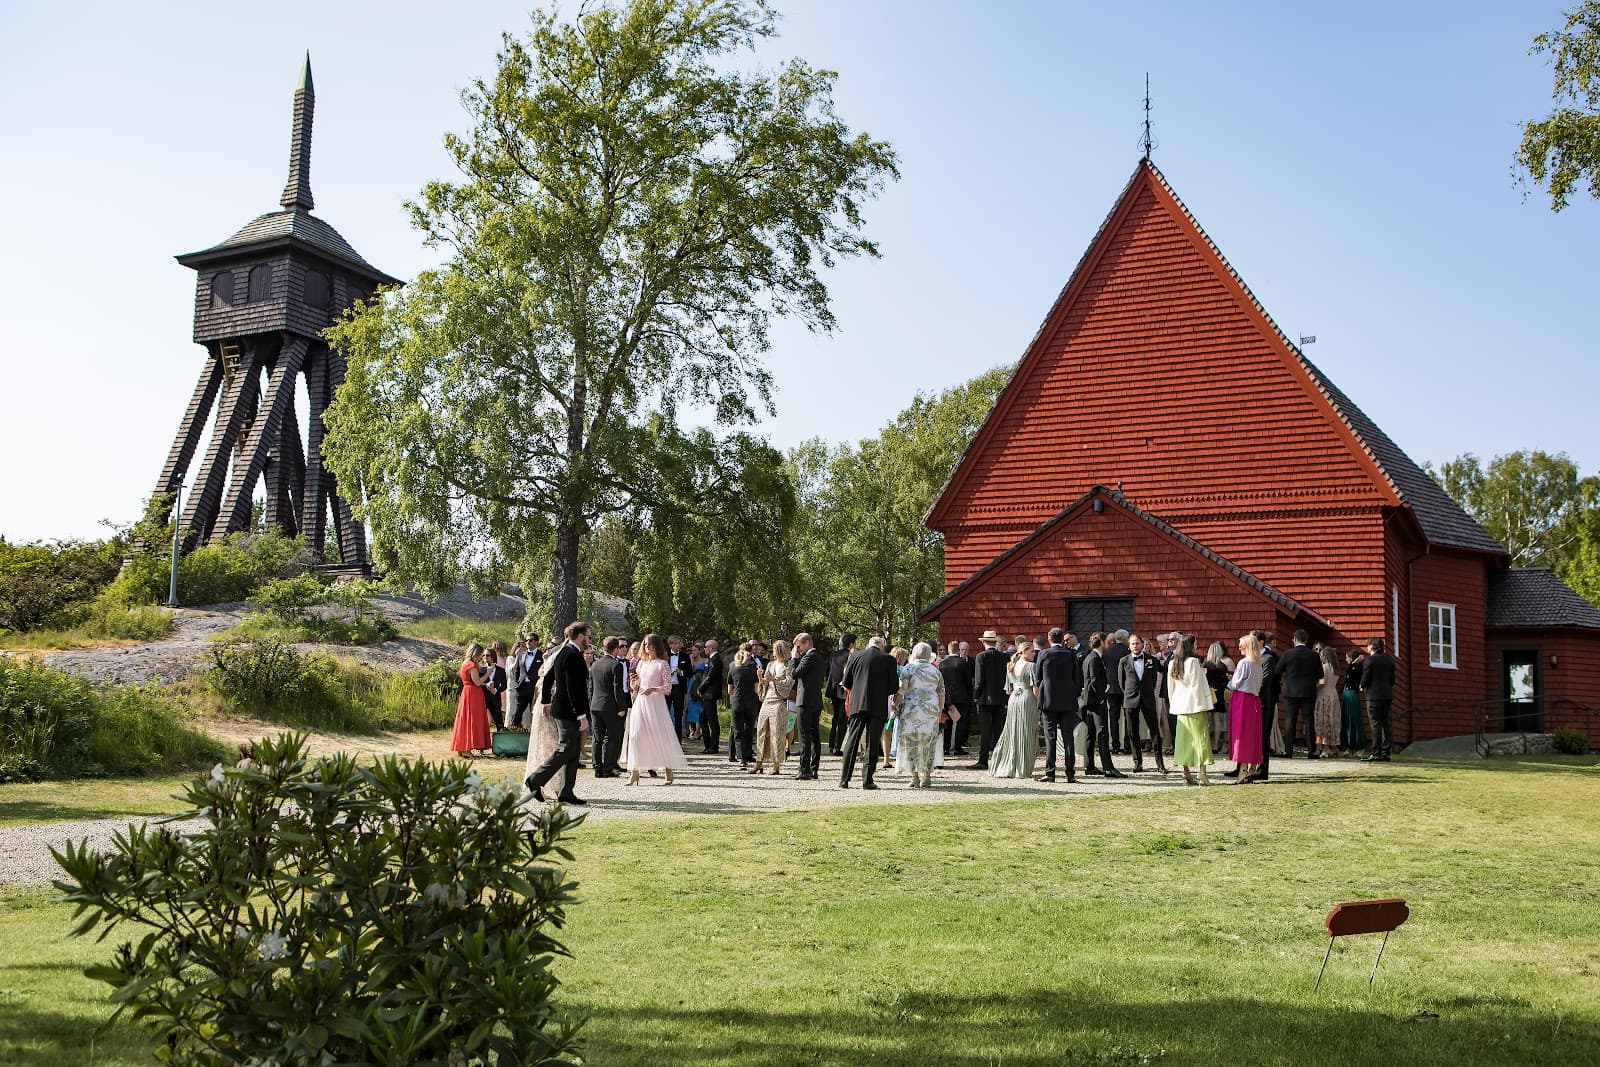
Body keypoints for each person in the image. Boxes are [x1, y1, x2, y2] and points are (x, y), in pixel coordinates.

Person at [524, 622, 593, 805]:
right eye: (588, 636)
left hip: (563, 708)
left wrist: (547, 701)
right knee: (567, 747)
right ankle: (535, 780)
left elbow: (548, 679)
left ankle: (566, 791)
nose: (589, 640)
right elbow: (573, 688)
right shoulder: (572, 655)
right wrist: (581, 715)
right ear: (580, 636)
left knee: (573, 750)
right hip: (568, 710)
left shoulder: (563, 652)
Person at [623, 633, 687, 785]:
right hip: (640, 703)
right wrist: (634, 685)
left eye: (649, 644)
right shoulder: (641, 664)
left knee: (660, 735)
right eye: (645, 644)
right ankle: (634, 772)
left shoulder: (662, 664)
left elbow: (668, 688)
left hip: (656, 704)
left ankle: (668, 771)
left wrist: (653, 689)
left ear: (656, 645)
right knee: (636, 735)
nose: (647, 646)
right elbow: (637, 685)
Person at [840, 636, 898, 790]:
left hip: (858, 704)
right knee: (872, 743)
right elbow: (893, 687)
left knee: (852, 741)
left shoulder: (855, 656)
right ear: (882, 646)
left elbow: (846, 682)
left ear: (868, 644)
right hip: (878, 705)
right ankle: (867, 780)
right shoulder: (889, 660)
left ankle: (844, 779)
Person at [894, 642, 946, 788]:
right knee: (928, 742)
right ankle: (927, 776)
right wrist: (939, 711)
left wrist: (895, 703)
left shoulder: (908, 668)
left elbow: (902, 689)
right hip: (930, 711)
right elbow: (941, 693)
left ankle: (914, 776)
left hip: (911, 711)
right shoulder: (935, 670)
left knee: (910, 742)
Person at [1033, 627, 1081, 783]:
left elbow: (1038, 679)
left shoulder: (1044, 654)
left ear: (1049, 638)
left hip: (1048, 701)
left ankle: (1050, 772)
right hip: (1067, 701)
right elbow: (1077, 679)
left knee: (1050, 738)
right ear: (1062, 640)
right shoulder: (1071, 655)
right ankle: (1070, 773)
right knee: (1068, 738)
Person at [1118, 634, 1167, 775]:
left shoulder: (1152, 660)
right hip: (1130, 699)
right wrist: (1130, 693)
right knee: (1132, 731)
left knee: (1154, 730)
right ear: (1129, 646)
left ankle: (1160, 764)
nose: (1135, 646)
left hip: (1147, 698)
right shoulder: (1123, 661)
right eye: (1132, 644)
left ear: (1142, 644)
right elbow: (1121, 682)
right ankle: (1137, 762)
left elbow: (1153, 680)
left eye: (1137, 643)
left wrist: (1147, 692)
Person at [1167, 634, 1212, 785]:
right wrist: (1203, 705)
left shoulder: (1173, 662)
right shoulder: (1193, 662)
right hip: (1195, 706)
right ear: (1190, 646)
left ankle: (1186, 771)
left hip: (1180, 707)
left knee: (1183, 740)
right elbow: (1196, 686)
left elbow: (1170, 688)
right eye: (1195, 644)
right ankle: (1202, 773)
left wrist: (1174, 704)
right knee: (1200, 739)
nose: (1197, 647)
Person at [1080, 632, 1126, 778]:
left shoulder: (1090, 657)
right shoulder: (1094, 658)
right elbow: (1094, 681)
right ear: (1101, 642)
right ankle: (1108, 768)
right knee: (1102, 733)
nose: (1109, 645)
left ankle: (1089, 766)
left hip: (1090, 702)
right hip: (1096, 702)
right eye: (1107, 642)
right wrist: (1102, 697)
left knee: (1091, 734)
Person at [990, 643, 1039, 779]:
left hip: (1013, 699)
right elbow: (1035, 688)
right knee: (1027, 732)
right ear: (1023, 651)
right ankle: (1022, 768)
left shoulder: (1011, 666)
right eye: (1032, 651)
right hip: (1027, 698)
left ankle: (1010, 765)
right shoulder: (1031, 666)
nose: (1034, 653)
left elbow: (1008, 690)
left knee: (1012, 731)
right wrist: (1040, 703)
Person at [1276, 629, 1322, 758]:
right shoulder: (1314, 655)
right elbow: (1320, 675)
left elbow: (1277, 670)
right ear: (1306, 640)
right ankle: (1311, 751)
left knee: (1290, 720)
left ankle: (1288, 751)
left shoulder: (1288, 654)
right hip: (1308, 691)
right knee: (1309, 721)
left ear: (1295, 639)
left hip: (1291, 691)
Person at [588, 636, 629, 777]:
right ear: (616, 649)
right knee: (611, 737)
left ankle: (597, 768)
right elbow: (617, 689)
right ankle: (608, 767)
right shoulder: (616, 665)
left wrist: (591, 704)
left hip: (595, 705)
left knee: (597, 738)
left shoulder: (595, 665)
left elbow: (591, 688)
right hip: (610, 706)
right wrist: (621, 707)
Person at [1228, 633, 1265, 784]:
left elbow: (1235, 684)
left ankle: (1243, 770)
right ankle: (1252, 767)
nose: (1239, 648)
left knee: (1241, 734)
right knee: (1253, 734)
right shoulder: (1258, 665)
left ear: (1247, 647)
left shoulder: (1244, 663)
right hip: (1254, 700)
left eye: (1241, 646)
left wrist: (1227, 682)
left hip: (1242, 700)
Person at [753, 640, 794, 775]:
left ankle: (776, 765)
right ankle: (759, 762)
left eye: (776, 650)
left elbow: (789, 683)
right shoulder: (770, 664)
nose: (774, 653)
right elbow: (765, 683)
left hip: (778, 701)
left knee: (776, 733)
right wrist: (761, 678)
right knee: (761, 730)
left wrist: (774, 680)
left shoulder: (789, 665)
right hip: (767, 700)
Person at [791, 632, 827, 780]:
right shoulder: (819, 657)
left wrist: (794, 659)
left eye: (798, 646)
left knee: (805, 735)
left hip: (805, 700)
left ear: (807, 643)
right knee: (814, 735)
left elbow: (795, 673)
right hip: (815, 700)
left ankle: (804, 769)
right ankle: (813, 768)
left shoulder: (809, 657)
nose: (797, 650)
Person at [972, 630, 1009, 770]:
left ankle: (983, 760)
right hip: (1001, 698)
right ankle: (1000, 759)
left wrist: (976, 695)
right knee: (999, 729)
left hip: (985, 699)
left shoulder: (981, 656)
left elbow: (979, 680)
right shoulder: (1004, 657)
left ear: (983, 642)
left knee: (985, 731)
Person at [450, 642, 493, 757]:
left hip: (467, 692)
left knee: (465, 719)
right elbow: (477, 682)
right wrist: (488, 673)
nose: (481, 657)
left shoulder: (465, 663)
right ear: (476, 653)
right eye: (480, 655)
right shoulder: (471, 665)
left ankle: (462, 748)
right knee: (472, 720)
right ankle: (466, 749)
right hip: (473, 693)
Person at [1360, 637, 1396, 762]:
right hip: (1387, 695)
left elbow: (1365, 678)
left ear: (1372, 646)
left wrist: (1361, 686)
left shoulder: (1370, 660)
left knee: (1375, 723)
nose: (1367, 647)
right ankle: (1386, 752)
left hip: (1373, 696)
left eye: (1368, 645)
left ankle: (1376, 752)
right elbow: (1392, 680)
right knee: (1386, 723)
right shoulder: (1389, 660)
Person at [727, 642, 761, 768]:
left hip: (737, 700)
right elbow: (757, 688)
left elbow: (729, 690)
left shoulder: (732, 668)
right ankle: (747, 754)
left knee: (737, 730)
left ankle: (741, 758)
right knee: (749, 729)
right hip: (751, 701)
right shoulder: (752, 669)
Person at [939, 640, 974, 756]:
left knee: (947, 722)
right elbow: (968, 681)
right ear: (958, 650)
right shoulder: (963, 663)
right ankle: (957, 747)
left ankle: (945, 747)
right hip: (961, 696)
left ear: (949, 650)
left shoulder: (942, 664)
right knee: (961, 721)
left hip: (947, 697)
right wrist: (970, 695)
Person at [827, 634, 856, 756]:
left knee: (835, 717)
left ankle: (831, 743)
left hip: (833, 688)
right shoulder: (852, 655)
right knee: (843, 719)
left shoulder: (833, 654)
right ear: (851, 644)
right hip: (844, 689)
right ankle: (838, 747)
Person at [1102, 629, 1130, 754]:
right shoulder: (1127, 651)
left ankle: (1115, 745)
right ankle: (1127, 745)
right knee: (1128, 717)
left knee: (1113, 718)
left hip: (1111, 688)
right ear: (1124, 639)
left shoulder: (1107, 651)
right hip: (1126, 688)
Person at [882, 647, 910, 770]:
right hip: (899, 700)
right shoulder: (903, 670)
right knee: (900, 730)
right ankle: (900, 757)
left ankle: (886, 759)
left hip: (886, 700)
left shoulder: (885, 668)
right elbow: (903, 688)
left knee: (886, 731)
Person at [1314, 645, 1344, 758]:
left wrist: (1313, 687)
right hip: (1333, 695)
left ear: (1325, 656)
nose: (1320, 657)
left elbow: (1322, 683)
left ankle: (1326, 747)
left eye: (1321, 655)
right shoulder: (1335, 668)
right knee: (1332, 721)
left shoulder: (1324, 668)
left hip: (1324, 696)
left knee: (1322, 721)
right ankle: (1334, 747)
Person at [1203, 641, 1232, 752]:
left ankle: (1206, 744)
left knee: (1206, 720)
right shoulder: (1223, 666)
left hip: (1208, 693)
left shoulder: (1206, 665)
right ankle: (1215, 745)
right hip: (1219, 694)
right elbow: (1225, 682)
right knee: (1217, 719)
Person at [510, 634, 543, 730]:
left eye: (530, 640)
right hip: (522, 687)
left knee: (535, 712)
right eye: (526, 640)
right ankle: (514, 731)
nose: (528, 642)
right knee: (518, 712)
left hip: (535, 688)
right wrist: (518, 682)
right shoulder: (521, 654)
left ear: (536, 642)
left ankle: (534, 731)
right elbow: (517, 671)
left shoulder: (541, 655)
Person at [698, 639, 724, 755]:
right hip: (706, 694)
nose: (704, 649)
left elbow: (710, 677)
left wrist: (700, 687)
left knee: (712, 720)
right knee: (703, 719)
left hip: (710, 694)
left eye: (705, 647)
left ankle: (714, 746)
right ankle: (707, 744)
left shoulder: (716, 660)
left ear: (711, 648)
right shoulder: (711, 659)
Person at [1341, 648, 1369, 755]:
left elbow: (1351, 672)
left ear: (1351, 658)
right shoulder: (1352, 667)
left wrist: (1355, 662)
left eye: (1347, 657)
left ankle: (1359, 746)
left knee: (1354, 719)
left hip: (1352, 694)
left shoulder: (1358, 668)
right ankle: (1349, 746)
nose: (1346, 659)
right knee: (1346, 720)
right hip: (1346, 693)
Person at [666, 635, 691, 739]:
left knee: (678, 714)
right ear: (670, 645)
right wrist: (669, 674)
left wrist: (681, 672)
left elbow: (690, 672)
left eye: (678, 643)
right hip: (667, 687)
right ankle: (666, 738)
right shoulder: (665, 655)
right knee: (665, 713)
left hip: (678, 688)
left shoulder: (685, 656)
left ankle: (678, 740)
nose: (677, 645)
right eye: (675, 643)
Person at [482, 644, 508, 731]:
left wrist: (496, 690)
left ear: (493, 657)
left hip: (495, 699)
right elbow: (477, 683)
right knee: (481, 723)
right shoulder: (480, 669)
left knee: (499, 723)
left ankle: (501, 738)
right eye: (484, 655)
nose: (485, 657)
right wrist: (486, 685)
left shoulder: (501, 670)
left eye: (487, 655)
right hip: (483, 698)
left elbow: (504, 685)